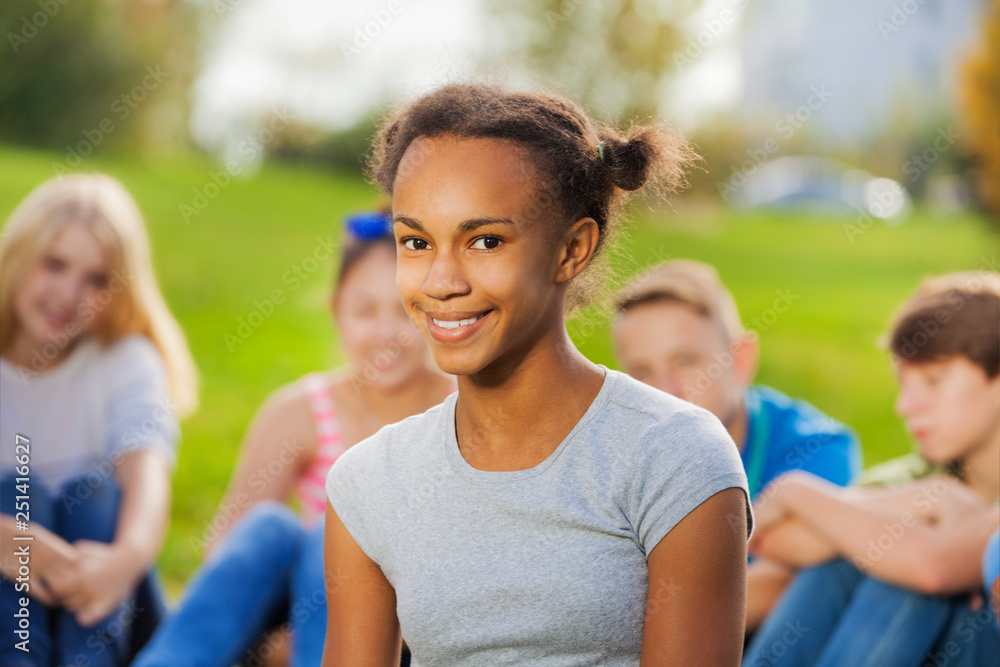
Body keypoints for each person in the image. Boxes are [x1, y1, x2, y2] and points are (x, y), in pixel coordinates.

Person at [322, 82, 754, 665]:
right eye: (416, 241)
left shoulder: (675, 458)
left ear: (571, 249)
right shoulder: (368, 483)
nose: (441, 282)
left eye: (485, 240)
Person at [133, 211, 456, 667]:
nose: (386, 334)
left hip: (413, 635)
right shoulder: (300, 411)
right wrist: (271, 642)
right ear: (336, 311)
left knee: (340, 532)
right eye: (365, 311)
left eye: (404, 311)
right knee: (272, 528)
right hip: (310, 622)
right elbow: (227, 548)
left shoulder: (464, 410)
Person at [742, 271, 1000, 666]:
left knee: (900, 569)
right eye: (903, 384)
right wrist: (922, 501)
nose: (905, 406)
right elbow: (779, 541)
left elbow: (933, 569)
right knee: (856, 554)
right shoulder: (919, 477)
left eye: (933, 380)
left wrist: (795, 490)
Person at [0, 174, 198, 666]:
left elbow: (147, 471)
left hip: (102, 605)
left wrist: (124, 561)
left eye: (96, 280)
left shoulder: (125, 360)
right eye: (55, 264)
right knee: (16, 494)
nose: (69, 293)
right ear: (19, 255)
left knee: (100, 495)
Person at [612, 258, 862, 633]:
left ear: (741, 359)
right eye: (642, 372)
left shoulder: (815, 447)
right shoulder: (616, 456)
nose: (665, 392)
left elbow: (784, 584)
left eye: (685, 361)